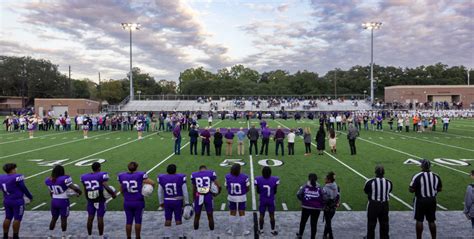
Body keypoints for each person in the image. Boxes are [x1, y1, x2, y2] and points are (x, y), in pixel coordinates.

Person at [118, 162, 154, 239]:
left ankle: (128, 237)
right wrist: (146, 188)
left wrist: (126, 196)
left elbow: (121, 190)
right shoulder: (140, 175)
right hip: (138, 201)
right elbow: (152, 183)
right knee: (138, 221)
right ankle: (138, 237)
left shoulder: (122, 176)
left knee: (128, 221)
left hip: (127, 201)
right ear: (137, 168)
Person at [80, 162, 116, 238]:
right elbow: (106, 186)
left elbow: (85, 189)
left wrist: (87, 198)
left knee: (90, 217)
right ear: (99, 168)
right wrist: (113, 194)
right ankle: (101, 237)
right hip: (100, 199)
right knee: (100, 218)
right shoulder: (101, 175)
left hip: (90, 199)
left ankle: (89, 236)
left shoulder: (84, 177)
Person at [45, 165, 82, 239]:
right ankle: (64, 236)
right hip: (63, 201)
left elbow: (51, 192)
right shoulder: (65, 179)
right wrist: (79, 192)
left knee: (54, 218)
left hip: (54, 200)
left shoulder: (48, 180)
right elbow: (73, 187)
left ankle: (50, 235)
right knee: (63, 219)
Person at [409, 159, 442, 239]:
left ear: (422, 166)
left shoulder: (417, 176)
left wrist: (418, 189)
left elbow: (411, 189)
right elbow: (440, 188)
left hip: (420, 200)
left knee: (419, 220)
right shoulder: (436, 176)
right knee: (431, 220)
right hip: (432, 200)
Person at [0, 163, 33, 239]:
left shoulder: (1, 177)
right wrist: (30, 196)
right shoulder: (17, 177)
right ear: (12, 169)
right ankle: (15, 236)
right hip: (17, 201)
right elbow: (23, 188)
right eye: (15, 168)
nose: (16, 170)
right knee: (17, 219)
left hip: (7, 200)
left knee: (7, 217)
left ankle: (5, 236)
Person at [158, 164, 189, 238]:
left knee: (168, 218)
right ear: (175, 170)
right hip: (178, 200)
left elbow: (159, 191)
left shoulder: (162, 178)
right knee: (178, 218)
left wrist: (161, 202)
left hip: (167, 201)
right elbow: (185, 191)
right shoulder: (181, 177)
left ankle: (167, 236)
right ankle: (180, 236)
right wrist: (187, 202)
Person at [364, 165, 392, 239]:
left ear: (375, 172)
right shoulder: (389, 182)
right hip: (385, 205)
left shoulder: (370, 182)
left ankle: (370, 237)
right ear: (384, 173)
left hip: (374, 205)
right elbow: (389, 191)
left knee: (371, 224)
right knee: (384, 224)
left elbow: (366, 191)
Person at [191, 165, 221, 231]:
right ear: (206, 169)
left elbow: (194, 189)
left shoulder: (194, 174)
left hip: (198, 195)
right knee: (210, 215)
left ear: (199, 169)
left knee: (197, 215)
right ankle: (212, 232)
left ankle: (196, 232)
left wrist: (194, 199)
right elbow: (219, 185)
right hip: (208, 195)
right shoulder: (211, 173)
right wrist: (217, 193)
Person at [296, 173, 325, 239]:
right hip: (316, 208)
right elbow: (324, 197)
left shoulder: (305, 186)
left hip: (306, 207)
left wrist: (303, 200)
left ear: (308, 178)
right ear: (316, 179)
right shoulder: (320, 187)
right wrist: (321, 205)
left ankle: (300, 235)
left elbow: (298, 194)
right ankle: (312, 237)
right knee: (314, 224)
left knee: (303, 222)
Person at [225, 164, 250, 236]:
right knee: (242, 213)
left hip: (232, 196)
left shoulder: (227, 176)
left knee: (232, 213)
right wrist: (243, 192)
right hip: (242, 197)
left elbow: (227, 187)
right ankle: (244, 230)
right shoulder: (245, 177)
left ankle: (231, 230)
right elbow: (247, 188)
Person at [255, 166, 279, 236]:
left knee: (261, 215)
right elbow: (275, 191)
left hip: (262, 199)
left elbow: (258, 191)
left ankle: (261, 230)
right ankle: (272, 230)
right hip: (271, 199)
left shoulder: (258, 179)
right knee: (272, 215)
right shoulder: (275, 179)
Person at [323, 172, 340, 239]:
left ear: (329, 180)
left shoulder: (325, 188)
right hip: (334, 208)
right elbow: (338, 196)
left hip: (327, 208)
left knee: (328, 223)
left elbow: (324, 198)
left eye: (326, 178)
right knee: (328, 222)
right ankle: (325, 235)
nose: (324, 179)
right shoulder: (336, 186)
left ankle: (331, 236)